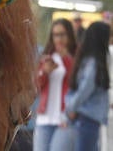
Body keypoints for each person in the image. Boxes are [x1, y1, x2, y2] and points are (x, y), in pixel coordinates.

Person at [64, 20, 110, 151]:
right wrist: (71, 109)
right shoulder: (95, 64)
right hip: (87, 118)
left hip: (85, 118)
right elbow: (85, 90)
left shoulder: (87, 60)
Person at [33, 18, 77, 151]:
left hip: (65, 117)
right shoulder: (47, 58)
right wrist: (44, 72)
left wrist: (66, 59)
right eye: (55, 35)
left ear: (69, 35)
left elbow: (77, 83)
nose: (59, 39)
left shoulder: (75, 57)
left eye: (62, 34)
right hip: (44, 118)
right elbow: (36, 87)